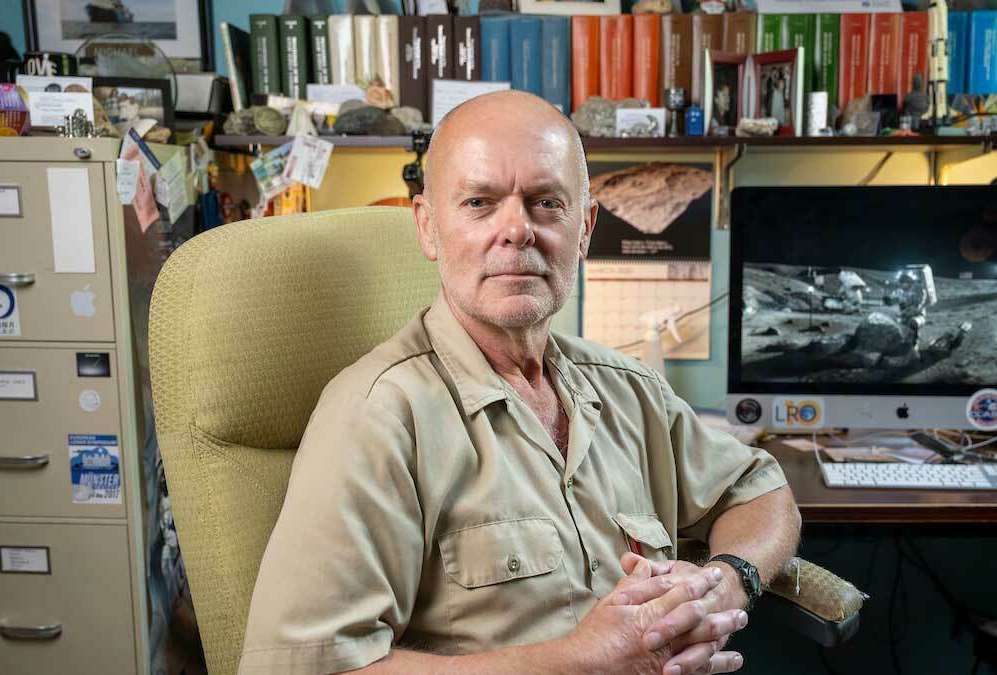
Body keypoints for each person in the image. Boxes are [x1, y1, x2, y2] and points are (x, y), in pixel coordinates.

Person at [237, 91, 801, 675]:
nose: (517, 231)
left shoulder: (629, 390)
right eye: (480, 202)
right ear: (428, 228)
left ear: (584, 229)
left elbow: (761, 491)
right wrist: (583, 663)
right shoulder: (377, 416)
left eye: (545, 203)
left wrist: (728, 581)